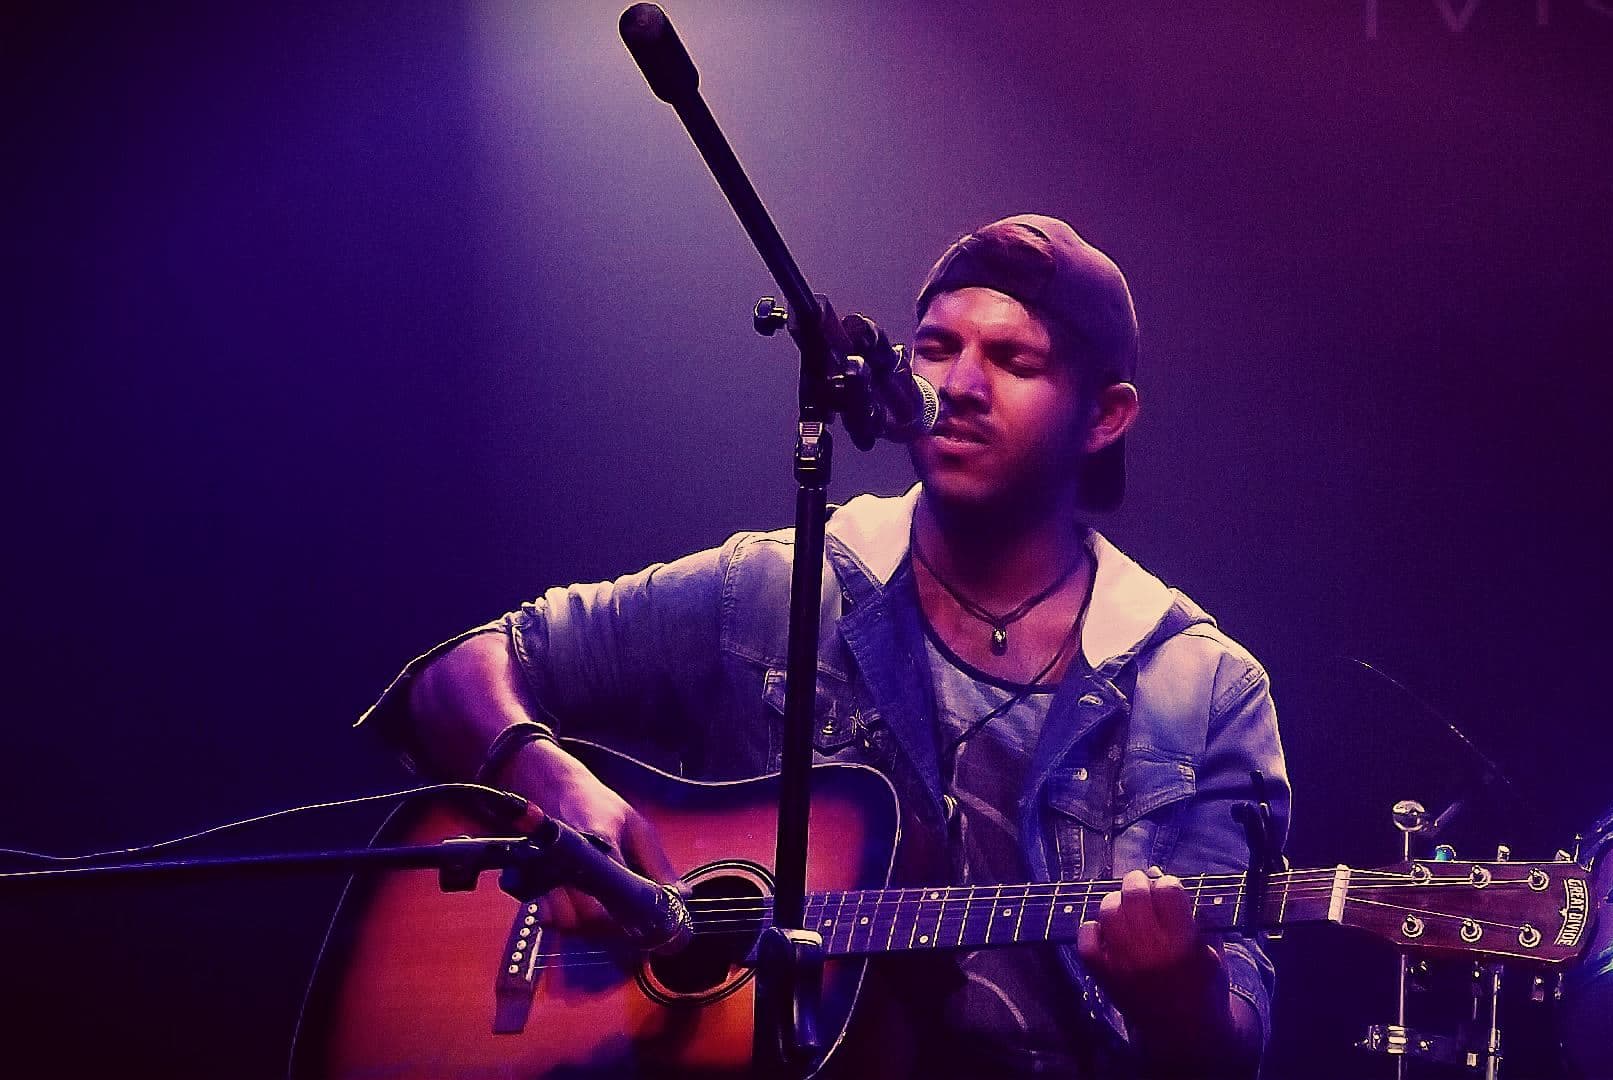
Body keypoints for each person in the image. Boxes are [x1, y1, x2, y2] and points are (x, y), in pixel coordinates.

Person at [359, 214, 1289, 1077]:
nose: (956, 386)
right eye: (936, 347)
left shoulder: (1198, 683)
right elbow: (454, 677)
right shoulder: (775, 588)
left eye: (1014, 360)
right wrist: (545, 782)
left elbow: (1229, 1046)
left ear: (1107, 414)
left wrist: (1174, 989)